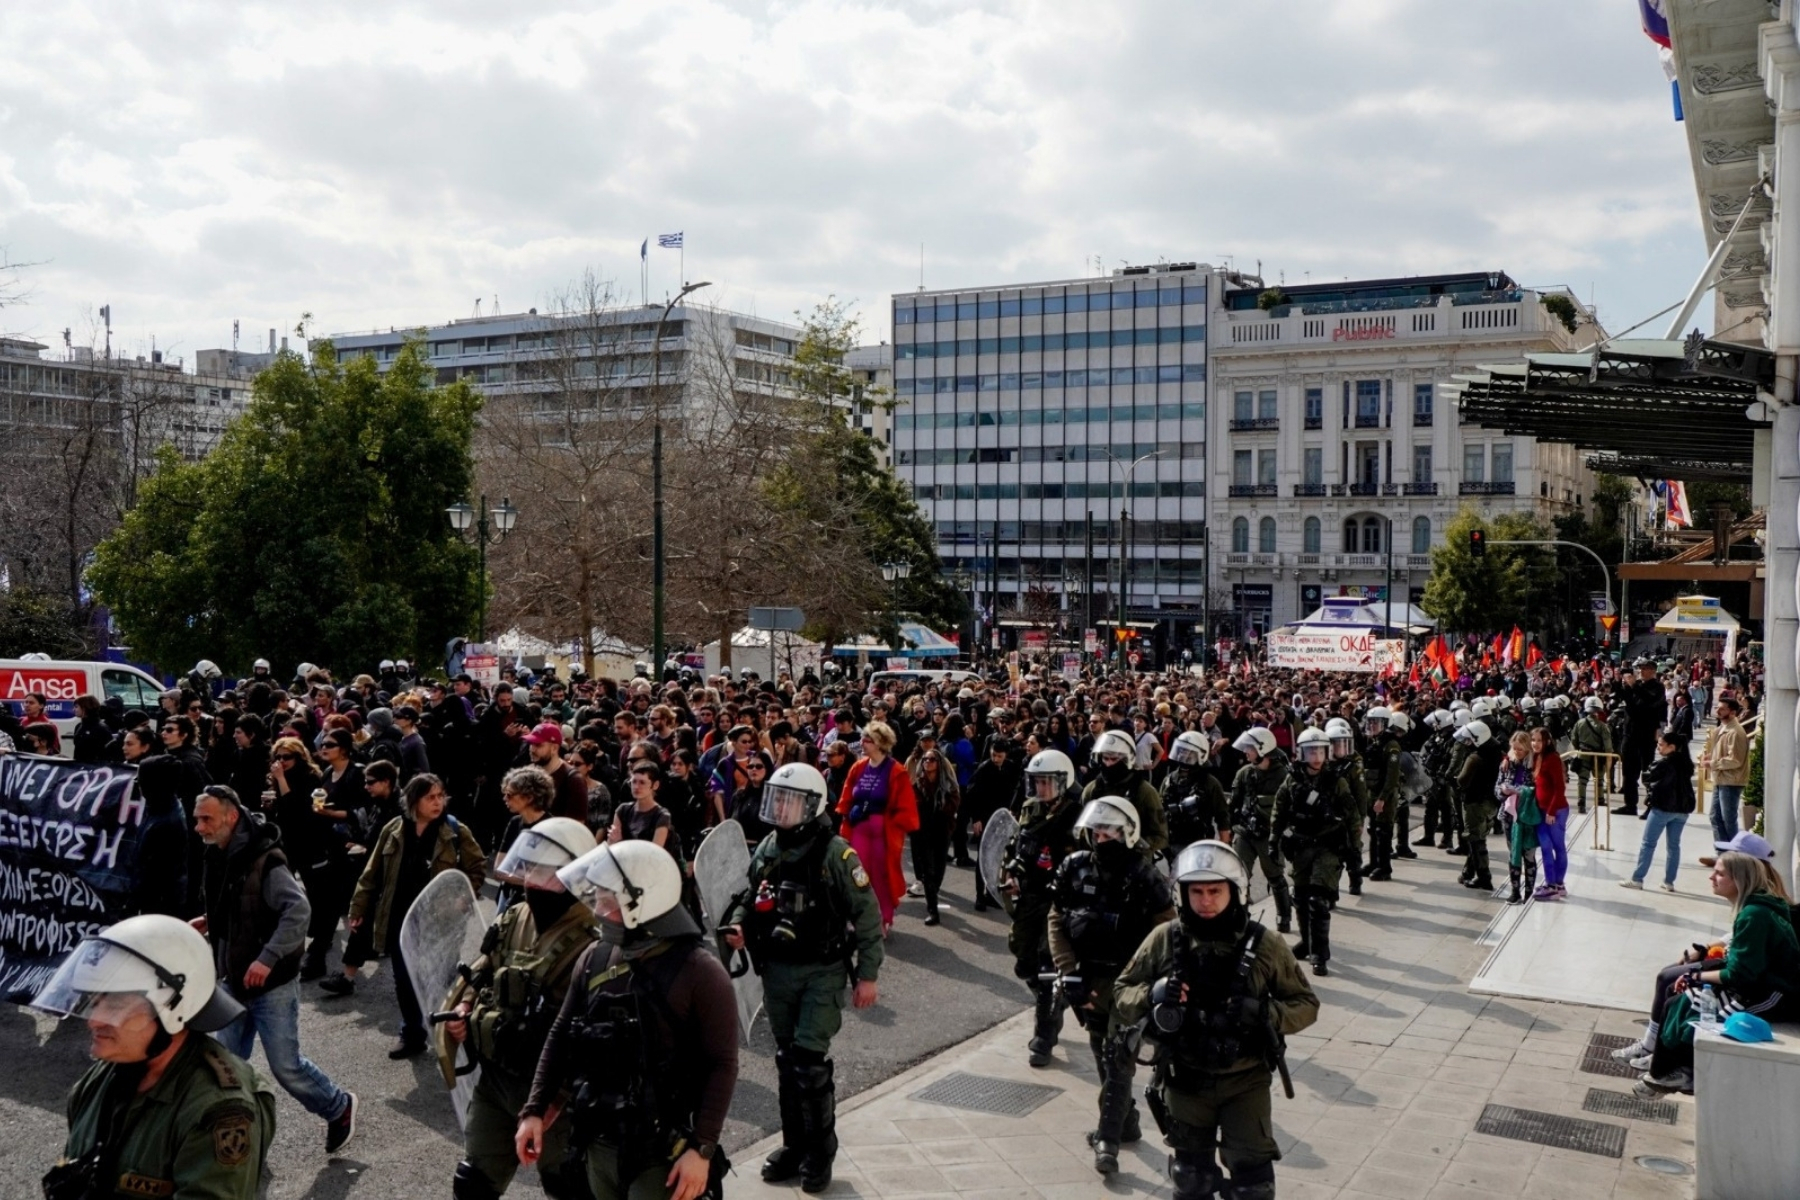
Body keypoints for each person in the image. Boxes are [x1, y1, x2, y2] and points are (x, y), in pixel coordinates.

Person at [522, 840, 739, 1200]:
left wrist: (702, 1149)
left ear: (645, 902)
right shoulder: (594, 957)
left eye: (608, 900)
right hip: (597, 1141)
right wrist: (535, 1108)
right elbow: (560, 1034)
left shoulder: (701, 972)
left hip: (661, 1155)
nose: (597, 909)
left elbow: (723, 1064)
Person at [1117, 840, 1320, 1200]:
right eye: (1196, 891)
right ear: (1182, 893)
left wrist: (1265, 1014)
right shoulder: (1165, 939)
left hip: (1245, 1081)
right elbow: (1122, 992)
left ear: (1234, 891)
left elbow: (1306, 1004)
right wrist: (1152, 995)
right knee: (1191, 1178)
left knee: (1254, 1187)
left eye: (1215, 891)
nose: (1206, 900)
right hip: (1185, 1078)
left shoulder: (1265, 944)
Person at [33, 914, 276, 1198]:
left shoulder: (217, 1109)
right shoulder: (100, 1080)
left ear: (172, 1009)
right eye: (93, 1001)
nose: (94, 1020)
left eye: (116, 1005)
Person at [722, 762, 882, 1193]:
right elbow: (750, 893)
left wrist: (867, 975)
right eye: (778, 799)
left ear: (812, 806)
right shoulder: (770, 847)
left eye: (791, 801)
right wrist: (738, 924)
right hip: (778, 970)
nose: (781, 809)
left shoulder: (836, 854)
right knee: (786, 1061)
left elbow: (867, 916)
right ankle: (794, 1146)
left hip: (821, 971)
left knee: (810, 1065)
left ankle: (819, 1153)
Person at [191, 784, 358, 1153]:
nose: (199, 827)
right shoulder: (218, 853)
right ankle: (238, 1140)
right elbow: (239, 903)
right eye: (197, 819)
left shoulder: (265, 859)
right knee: (225, 1067)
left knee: (286, 1067)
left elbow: (297, 911)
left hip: (272, 985)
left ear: (231, 817)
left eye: (206, 819)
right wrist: (209, 920)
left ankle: (338, 1106)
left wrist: (266, 960)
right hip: (233, 981)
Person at [443, 817, 598, 1200]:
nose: (530, 880)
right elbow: (482, 971)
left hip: (555, 1093)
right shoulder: (514, 917)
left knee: (570, 1187)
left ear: (573, 875)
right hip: (497, 1078)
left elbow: (591, 1036)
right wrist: (465, 1007)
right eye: (528, 868)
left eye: (541, 870)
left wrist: (554, 1101)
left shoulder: (593, 941)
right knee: (473, 1184)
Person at [1047, 797, 1177, 1175]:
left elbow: (1166, 931)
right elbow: (1056, 919)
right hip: (1087, 979)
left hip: (1128, 983)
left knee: (1118, 1057)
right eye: (1097, 831)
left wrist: (1148, 980)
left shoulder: (1144, 876)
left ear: (1127, 834)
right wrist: (1069, 972)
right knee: (1099, 1046)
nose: (1101, 838)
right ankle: (1127, 1121)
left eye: (1110, 832)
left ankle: (1108, 1140)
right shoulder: (1075, 867)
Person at [322, 772, 486, 1059]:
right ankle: (412, 1033)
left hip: (441, 921)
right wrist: (358, 909)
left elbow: (476, 868)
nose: (438, 802)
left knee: (443, 977)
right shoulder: (394, 828)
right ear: (413, 800)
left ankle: (454, 1031)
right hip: (400, 917)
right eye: (430, 797)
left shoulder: (455, 831)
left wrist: (462, 898)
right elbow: (371, 873)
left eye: (440, 796)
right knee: (404, 977)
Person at [1636, 850, 1800, 1096]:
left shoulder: (1754, 915)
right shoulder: (1752, 909)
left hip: (1776, 994)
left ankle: (1677, 1075)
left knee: (1701, 1012)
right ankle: (1665, 1073)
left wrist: (1695, 977)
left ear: (1739, 880)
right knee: (1677, 1002)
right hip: (1756, 985)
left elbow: (1740, 974)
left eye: (1720, 873)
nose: (1711, 877)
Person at [1004, 748, 1082, 1066]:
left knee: (1047, 966)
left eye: (1047, 781)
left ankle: (1044, 1037)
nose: (1041, 788)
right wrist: (1011, 870)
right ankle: (1053, 1002)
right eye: (1037, 781)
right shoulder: (1030, 808)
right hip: (1030, 894)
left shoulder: (1077, 815)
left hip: (1059, 898)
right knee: (1024, 962)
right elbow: (1017, 843)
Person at [1271, 727, 1355, 976]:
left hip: (1327, 845)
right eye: (1311, 751)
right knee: (1300, 896)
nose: (1316, 757)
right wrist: (1274, 840)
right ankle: (1307, 942)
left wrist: (1354, 848)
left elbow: (1352, 814)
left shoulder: (1336, 780)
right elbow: (1279, 809)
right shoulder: (1292, 780)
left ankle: (1319, 953)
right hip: (1301, 845)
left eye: (1320, 751)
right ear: (1302, 753)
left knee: (1318, 900)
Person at [834, 721, 920, 934]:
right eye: (863, 739)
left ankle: (883, 919)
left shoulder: (896, 770)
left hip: (883, 832)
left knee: (882, 877)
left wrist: (891, 823)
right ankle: (858, 918)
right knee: (857, 875)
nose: (862, 743)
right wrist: (847, 814)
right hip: (859, 829)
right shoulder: (858, 767)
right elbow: (847, 795)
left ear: (881, 743)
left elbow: (905, 805)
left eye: (868, 740)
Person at [1228, 728, 1293, 934]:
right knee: (1238, 876)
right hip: (1245, 832)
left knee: (1275, 876)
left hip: (1269, 835)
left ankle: (1284, 916)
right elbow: (1233, 804)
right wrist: (1229, 829)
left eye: (1250, 748)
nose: (1246, 752)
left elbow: (1289, 809)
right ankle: (1240, 919)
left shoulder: (1284, 776)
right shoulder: (1244, 773)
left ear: (1262, 749)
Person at [1622, 730, 1696, 894]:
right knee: (1674, 846)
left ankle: (1637, 879)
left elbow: (1648, 779)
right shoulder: (1686, 764)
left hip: (1662, 808)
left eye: (1661, 745)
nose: (1658, 748)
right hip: (1682, 810)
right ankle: (1669, 882)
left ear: (1672, 747)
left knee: (1648, 844)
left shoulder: (1663, 764)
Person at [1083, 728, 1170, 861]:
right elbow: (1083, 832)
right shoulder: (1091, 790)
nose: (1108, 764)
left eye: (1114, 759)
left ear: (1127, 759)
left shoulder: (1145, 792)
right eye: (1105, 758)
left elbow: (1161, 836)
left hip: (1135, 863)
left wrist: (1133, 843)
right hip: (1099, 863)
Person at [961, 734, 1018, 913]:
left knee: (998, 858)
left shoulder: (1010, 768)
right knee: (983, 858)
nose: (996, 759)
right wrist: (976, 818)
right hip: (985, 818)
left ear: (1006, 755)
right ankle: (980, 896)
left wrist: (1013, 810)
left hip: (1002, 819)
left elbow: (1015, 791)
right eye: (993, 755)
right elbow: (972, 794)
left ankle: (991, 894)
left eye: (999, 756)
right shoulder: (984, 769)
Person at [904, 744, 959, 925]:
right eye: (925, 759)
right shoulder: (918, 784)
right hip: (923, 832)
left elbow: (953, 805)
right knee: (928, 871)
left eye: (932, 759)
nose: (928, 762)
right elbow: (912, 806)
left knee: (939, 869)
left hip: (942, 830)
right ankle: (933, 910)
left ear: (939, 763)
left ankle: (933, 892)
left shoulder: (949, 785)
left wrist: (940, 805)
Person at [1454, 720, 1504, 893]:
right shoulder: (1497, 753)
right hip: (1491, 802)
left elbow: (1462, 780)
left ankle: (1484, 876)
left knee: (1475, 839)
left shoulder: (1475, 758)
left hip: (1475, 802)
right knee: (1478, 836)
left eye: (1469, 739)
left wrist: (1454, 780)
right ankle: (1468, 871)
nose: (1467, 742)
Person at [1163, 731, 1231, 856]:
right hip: (1173, 840)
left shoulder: (1210, 782)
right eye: (1181, 750)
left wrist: (1224, 845)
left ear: (1201, 754)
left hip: (1200, 843)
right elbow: (1158, 810)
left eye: (1188, 751)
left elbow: (1222, 815)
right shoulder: (1169, 780)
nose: (1182, 754)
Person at [1617, 659, 1668, 817]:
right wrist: (1622, 684)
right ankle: (1630, 804)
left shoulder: (1657, 687)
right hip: (1630, 733)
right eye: (1640, 668)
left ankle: (1651, 805)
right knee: (1628, 772)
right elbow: (1627, 701)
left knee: (1647, 772)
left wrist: (1634, 686)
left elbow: (1650, 701)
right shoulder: (1636, 685)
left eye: (1645, 669)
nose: (1641, 672)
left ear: (1652, 671)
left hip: (1646, 734)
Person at [1495, 731, 1540, 906]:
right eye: (1514, 749)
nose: (1517, 752)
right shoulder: (1507, 763)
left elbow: (1538, 790)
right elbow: (1497, 787)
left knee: (1528, 854)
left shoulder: (1535, 764)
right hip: (1509, 815)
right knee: (1513, 852)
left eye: (1521, 749)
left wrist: (1520, 791)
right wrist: (1503, 791)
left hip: (1528, 815)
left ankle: (1529, 892)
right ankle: (1515, 892)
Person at [1359, 707, 1403, 882]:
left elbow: (1392, 777)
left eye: (1375, 722)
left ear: (1385, 723)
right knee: (1373, 829)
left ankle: (1384, 868)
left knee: (1383, 832)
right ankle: (1373, 863)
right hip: (1373, 792)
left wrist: (1382, 799)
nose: (1372, 725)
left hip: (1385, 795)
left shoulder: (1391, 746)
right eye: (1370, 722)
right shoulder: (1375, 742)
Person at [1701, 696, 1749, 843]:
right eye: (1717, 707)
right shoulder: (1722, 729)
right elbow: (1725, 752)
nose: (1718, 711)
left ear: (1732, 712)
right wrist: (1712, 756)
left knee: (1728, 820)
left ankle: (1733, 851)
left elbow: (1735, 760)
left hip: (1731, 781)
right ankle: (1722, 851)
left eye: (1722, 709)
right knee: (1715, 817)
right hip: (1721, 779)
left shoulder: (1735, 732)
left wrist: (1712, 763)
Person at [1530, 726, 1570, 900]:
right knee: (1546, 846)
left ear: (1547, 741)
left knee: (1558, 846)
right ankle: (1551, 883)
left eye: (1539, 740)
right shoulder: (1537, 757)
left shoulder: (1552, 758)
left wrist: (1552, 811)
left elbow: (1559, 788)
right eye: (1533, 740)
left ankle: (1557, 883)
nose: (1535, 744)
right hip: (1541, 810)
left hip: (1556, 810)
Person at [1569, 696, 1613, 814]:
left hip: (1583, 754)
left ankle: (1581, 803)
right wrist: (1608, 759)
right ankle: (1600, 800)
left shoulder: (1579, 723)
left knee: (1582, 780)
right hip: (1597, 756)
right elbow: (1608, 746)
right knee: (1599, 780)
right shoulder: (1603, 726)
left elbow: (1574, 740)